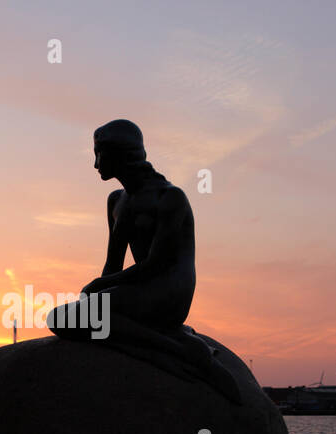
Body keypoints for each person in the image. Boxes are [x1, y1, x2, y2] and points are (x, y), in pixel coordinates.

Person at [47, 118, 242, 402]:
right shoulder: (117, 201)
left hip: (168, 293)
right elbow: (113, 263)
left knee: (72, 316)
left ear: (120, 154)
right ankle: (169, 343)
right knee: (62, 318)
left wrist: (98, 286)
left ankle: (186, 351)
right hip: (137, 290)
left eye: (99, 155)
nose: (95, 164)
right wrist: (97, 291)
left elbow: (157, 265)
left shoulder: (169, 197)